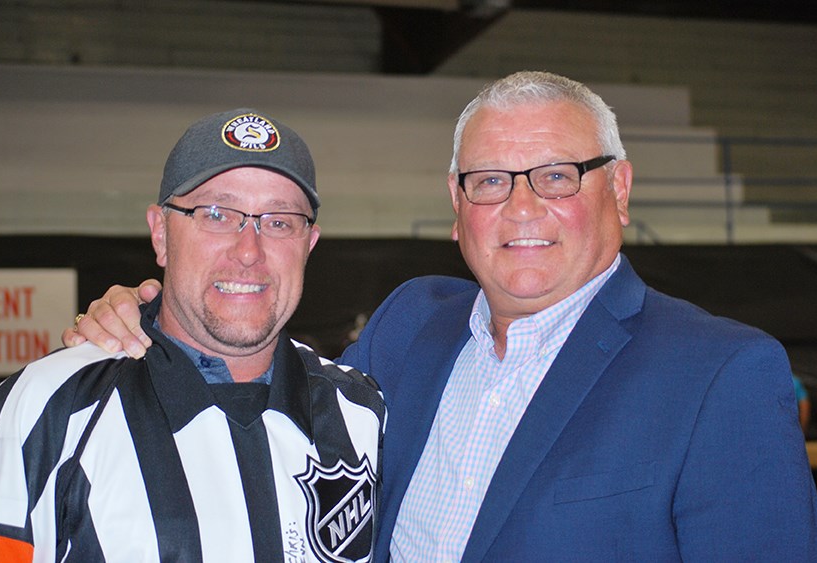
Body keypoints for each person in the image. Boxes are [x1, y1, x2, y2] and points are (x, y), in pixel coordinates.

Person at [63, 72, 817, 561]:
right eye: (489, 180)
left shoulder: (721, 372)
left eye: (556, 175)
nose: (521, 207)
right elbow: (263, 392)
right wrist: (149, 316)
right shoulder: (410, 322)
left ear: (617, 189)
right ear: (456, 206)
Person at [0, 109, 385, 562]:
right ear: (161, 234)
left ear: (309, 244)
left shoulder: (361, 413)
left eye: (279, 221)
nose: (249, 251)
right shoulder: (47, 407)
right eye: (216, 214)